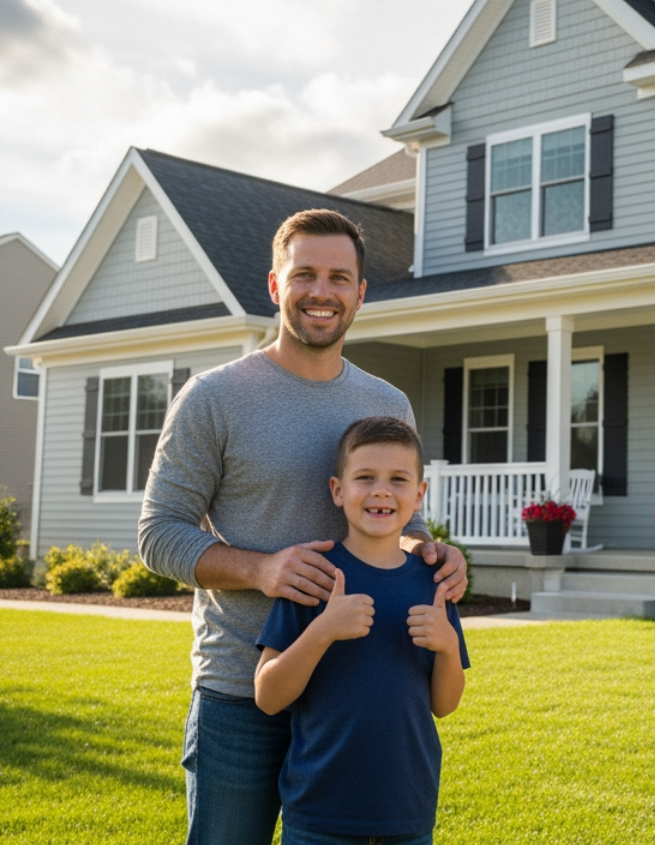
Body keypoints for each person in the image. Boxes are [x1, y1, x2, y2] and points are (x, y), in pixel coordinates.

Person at [138, 208, 467, 845]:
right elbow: (159, 532)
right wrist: (262, 569)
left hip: (356, 694)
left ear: (361, 293)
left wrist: (434, 554)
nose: (323, 292)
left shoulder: (386, 402)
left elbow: (407, 522)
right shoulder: (214, 396)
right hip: (242, 688)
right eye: (305, 274)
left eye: (340, 278)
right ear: (274, 285)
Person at [255, 416, 468, 845]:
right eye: (365, 477)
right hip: (319, 814)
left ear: (419, 495)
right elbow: (268, 695)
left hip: (406, 812)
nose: (381, 491)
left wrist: (447, 649)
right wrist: (323, 631)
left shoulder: (433, 583)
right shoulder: (315, 574)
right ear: (338, 490)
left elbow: (444, 706)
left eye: (398, 479)